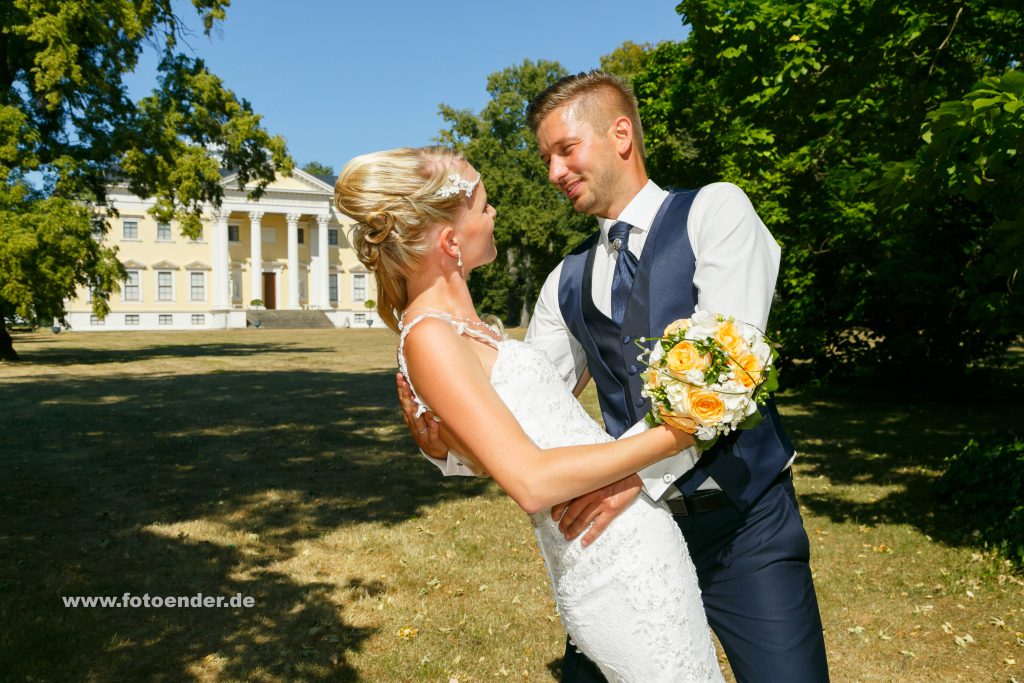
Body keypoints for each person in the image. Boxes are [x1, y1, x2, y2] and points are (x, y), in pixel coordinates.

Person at [401, 72, 830, 682]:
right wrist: (444, 447)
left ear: (620, 134)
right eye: (545, 157)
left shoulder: (716, 210)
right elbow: (520, 413)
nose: (553, 171)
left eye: (565, 149)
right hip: (625, 544)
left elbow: (731, 371)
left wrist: (634, 471)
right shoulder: (565, 280)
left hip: (745, 525)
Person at [335, 147, 724, 682]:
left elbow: (511, 435)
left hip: (636, 546)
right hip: (608, 562)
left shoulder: (467, 331)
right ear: (450, 241)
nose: (495, 215)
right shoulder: (430, 337)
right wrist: (677, 432)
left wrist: (450, 450)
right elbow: (533, 482)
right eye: (485, 206)